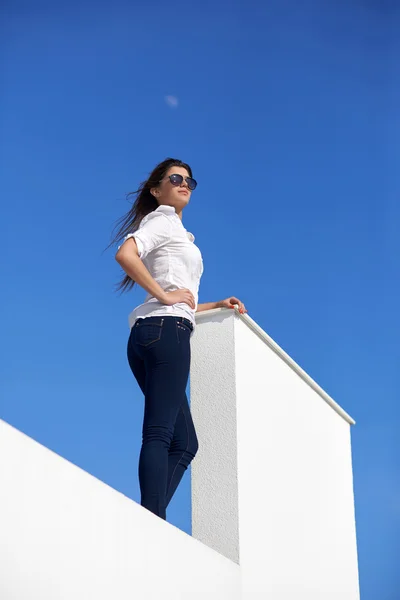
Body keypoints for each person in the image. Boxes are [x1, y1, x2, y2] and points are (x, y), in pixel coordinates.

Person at [112, 158, 247, 521]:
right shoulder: (161, 221)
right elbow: (126, 255)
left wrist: (213, 304)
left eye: (189, 180)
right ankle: (150, 521)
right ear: (157, 190)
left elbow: (178, 297)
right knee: (159, 431)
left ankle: (151, 516)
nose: (184, 184)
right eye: (175, 178)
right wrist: (167, 295)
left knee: (185, 443)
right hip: (165, 333)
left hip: (153, 332)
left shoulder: (177, 232)